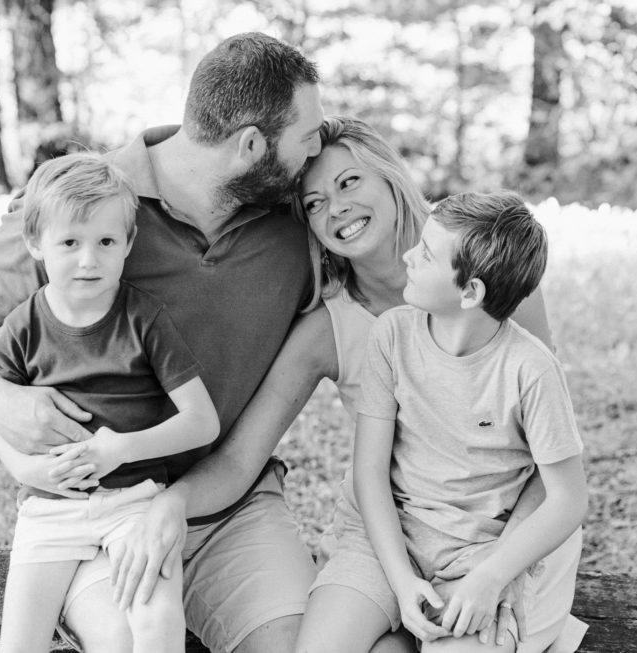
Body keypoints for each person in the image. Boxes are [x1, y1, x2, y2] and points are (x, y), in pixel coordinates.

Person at [0, 32, 325, 653]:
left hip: (232, 507)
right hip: (98, 509)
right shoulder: (88, 202)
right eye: (308, 139)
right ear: (250, 145)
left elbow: (401, 248)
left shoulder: (303, 222)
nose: (317, 152)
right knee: (125, 640)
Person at [143, 117, 585, 653]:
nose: (336, 208)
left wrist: (500, 569)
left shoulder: (491, 277)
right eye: (313, 203)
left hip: (504, 531)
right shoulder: (337, 327)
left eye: (349, 182)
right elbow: (242, 461)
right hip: (389, 534)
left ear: (388, 177)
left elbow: (547, 460)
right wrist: (175, 500)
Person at [322, 190, 589, 653]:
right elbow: (369, 472)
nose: (407, 255)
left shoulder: (531, 369)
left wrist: (492, 576)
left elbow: (568, 498)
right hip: (388, 538)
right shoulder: (392, 335)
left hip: (476, 554)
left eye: (425, 252)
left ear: (470, 291)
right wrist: (404, 583)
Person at [0, 153, 220, 653]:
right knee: (19, 644)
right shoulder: (20, 330)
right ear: (35, 243)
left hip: (134, 502)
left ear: (128, 244)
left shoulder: (144, 319)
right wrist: (30, 472)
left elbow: (202, 422)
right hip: (52, 509)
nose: (88, 260)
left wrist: (121, 450)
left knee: (157, 623)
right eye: (69, 242)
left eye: (106, 242)